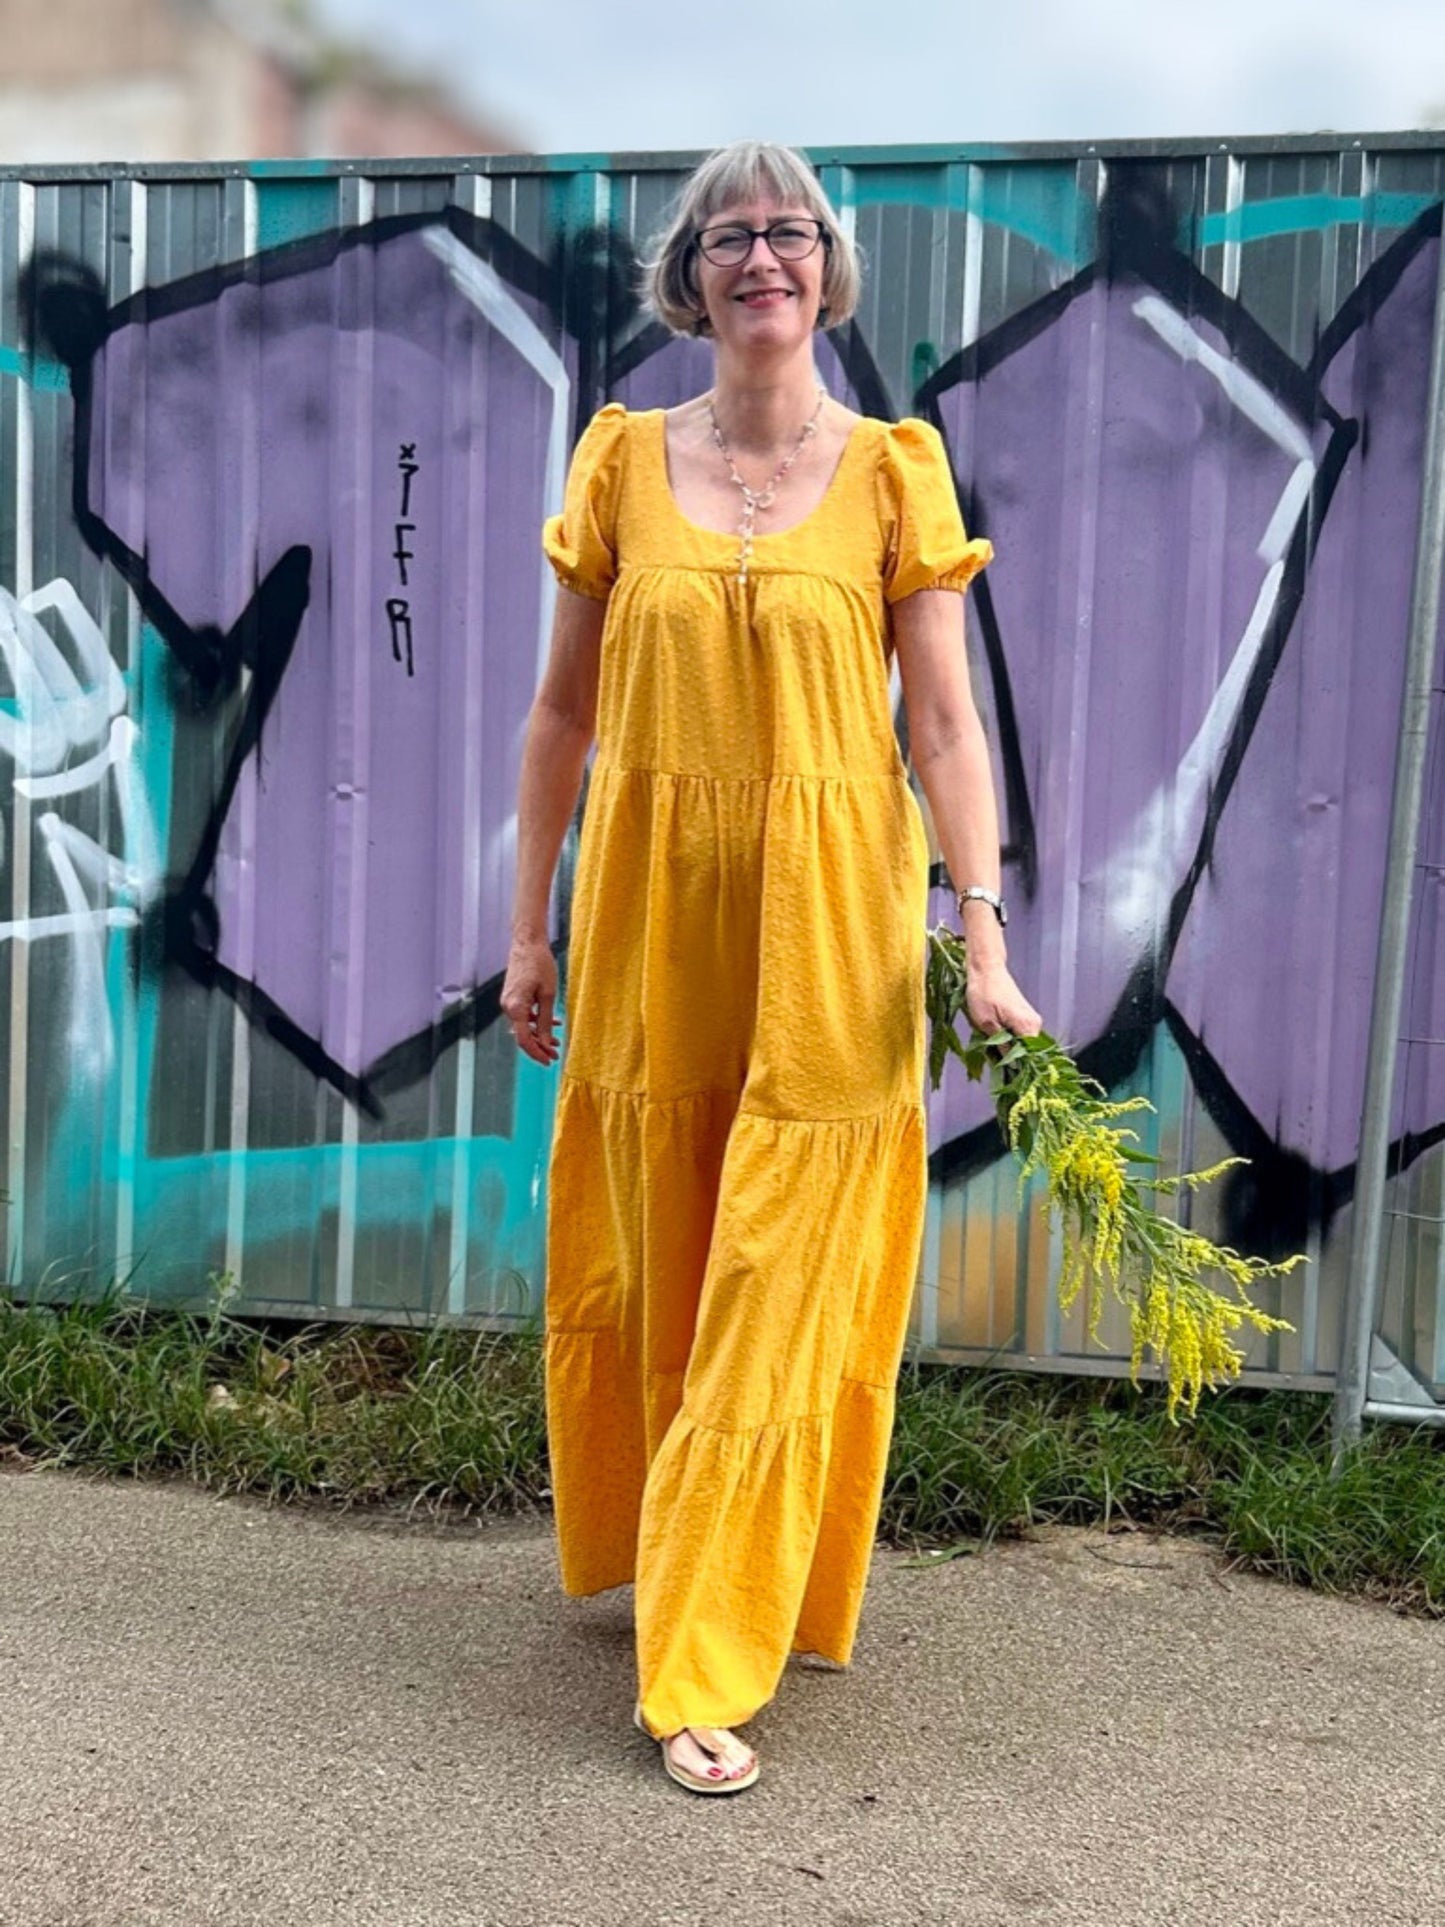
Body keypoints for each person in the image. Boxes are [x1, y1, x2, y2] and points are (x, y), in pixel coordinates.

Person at [502, 139, 1041, 1796]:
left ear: (826, 266)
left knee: (778, 1271)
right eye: (727, 235)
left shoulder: (890, 471)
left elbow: (944, 726)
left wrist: (979, 931)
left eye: (788, 231)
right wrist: (525, 929)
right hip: (654, 920)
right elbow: (563, 716)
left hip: (830, 925)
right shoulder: (619, 460)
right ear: (689, 274)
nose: (761, 257)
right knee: (664, 1246)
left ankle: (702, 1653)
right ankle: (694, 1559)